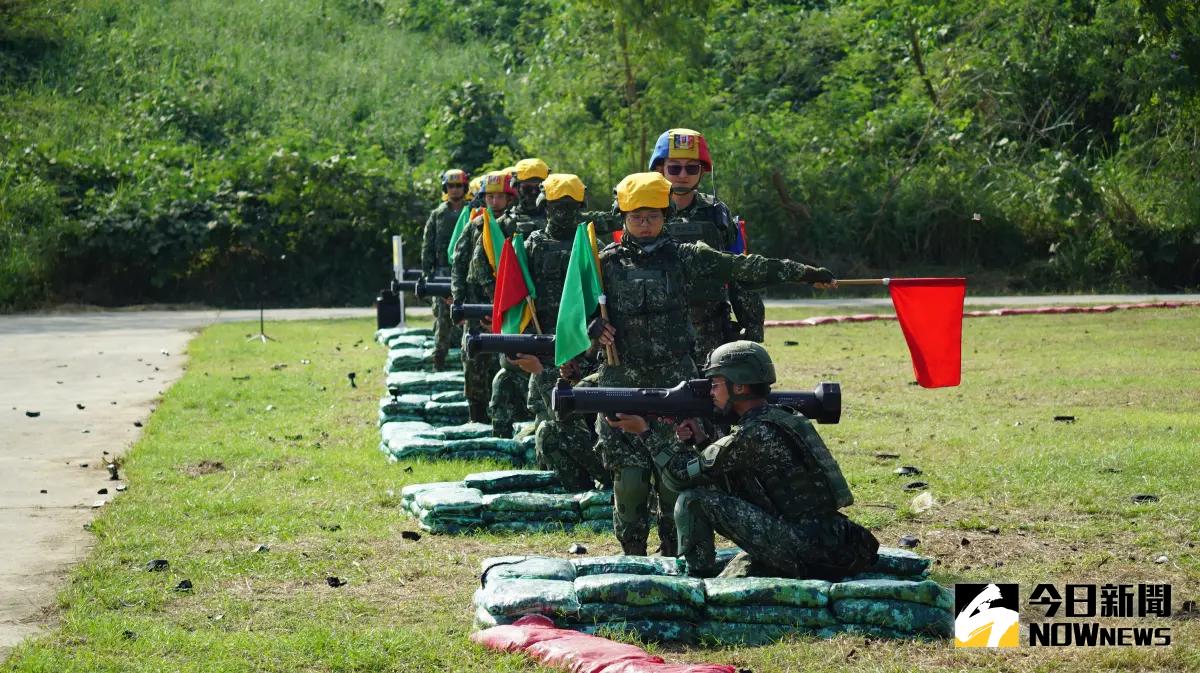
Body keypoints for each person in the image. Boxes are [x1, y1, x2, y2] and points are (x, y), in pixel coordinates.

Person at [594, 172, 835, 556]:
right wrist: (595, 327)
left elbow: (744, 267)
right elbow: (574, 315)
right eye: (636, 216)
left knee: (675, 475)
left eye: (653, 216)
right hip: (621, 382)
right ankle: (632, 554)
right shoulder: (600, 263)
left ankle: (674, 553)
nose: (644, 224)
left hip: (677, 383)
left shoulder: (687, 256)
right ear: (622, 217)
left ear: (666, 216)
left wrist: (803, 273)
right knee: (629, 479)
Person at [609, 341, 879, 580]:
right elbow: (734, 473)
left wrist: (644, 433)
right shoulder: (780, 417)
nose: (711, 393)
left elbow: (678, 478)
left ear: (739, 385)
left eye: (716, 384)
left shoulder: (753, 433)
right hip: (826, 538)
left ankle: (697, 577)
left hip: (805, 547)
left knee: (694, 499)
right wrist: (701, 441)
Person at [506, 174, 608, 489]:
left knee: (592, 421)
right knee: (551, 426)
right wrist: (525, 351)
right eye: (556, 206)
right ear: (544, 206)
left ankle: (607, 478)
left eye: (569, 206)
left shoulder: (593, 247)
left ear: (580, 206)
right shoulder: (532, 246)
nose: (562, 213)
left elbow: (604, 307)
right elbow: (521, 303)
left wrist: (591, 352)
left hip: (589, 352)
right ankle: (575, 487)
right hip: (546, 352)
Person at [650, 128, 767, 356]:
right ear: (659, 168)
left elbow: (739, 272)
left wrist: (752, 327)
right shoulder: (639, 212)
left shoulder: (717, 214)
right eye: (674, 167)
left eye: (691, 168)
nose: (682, 174)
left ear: (702, 171)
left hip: (709, 332)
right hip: (652, 333)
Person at [483, 158, 552, 436]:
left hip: (551, 314)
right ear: (517, 187)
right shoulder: (503, 226)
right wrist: (497, 309)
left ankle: (544, 429)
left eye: (539, 186)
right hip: (518, 310)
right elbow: (486, 272)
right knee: (509, 371)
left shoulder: (559, 226)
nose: (533, 192)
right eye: (527, 187)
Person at [450, 171, 516, 423]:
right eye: (490, 196)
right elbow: (459, 263)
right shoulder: (475, 226)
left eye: (500, 196)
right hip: (478, 306)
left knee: (507, 365)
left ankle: (505, 417)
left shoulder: (517, 227)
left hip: (508, 307)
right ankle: (476, 417)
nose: (495, 201)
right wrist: (458, 301)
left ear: (509, 199)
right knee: (474, 362)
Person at [422, 169, 468, 371]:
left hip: (466, 272)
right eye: (451, 186)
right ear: (445, 188)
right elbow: (428, 244)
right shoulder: (437, 214)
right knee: (442, 315)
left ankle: (468, 355)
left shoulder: (473, 211)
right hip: (442, 272)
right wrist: (427, 273)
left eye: (459, 185)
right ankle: (439, 356)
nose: (455, 190)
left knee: (468, 314)